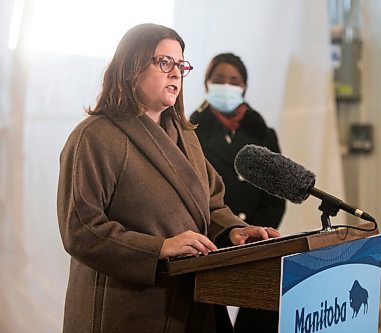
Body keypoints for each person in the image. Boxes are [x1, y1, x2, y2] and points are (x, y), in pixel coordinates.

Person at [57, 24, 279, 333]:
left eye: (181, 65)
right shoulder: (95, 137)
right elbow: (81, 230)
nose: (176, 73)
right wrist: (159, 248)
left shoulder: (185, 135)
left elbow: (211, 204)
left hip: (192, 301)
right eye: (164, 63)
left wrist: (234, 232)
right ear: (130, 67)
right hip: (128, 308)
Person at [190, 53, 285, 333]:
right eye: (219, 79)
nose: (226, 86)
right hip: (211, 238)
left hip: (257, 239)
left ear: (245, 86)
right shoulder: (189, 132)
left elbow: (276, 194)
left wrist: (254, 230)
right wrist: (226, 228)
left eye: (234, 80)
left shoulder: (263, 133)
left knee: (262, 308)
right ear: (207, 83)